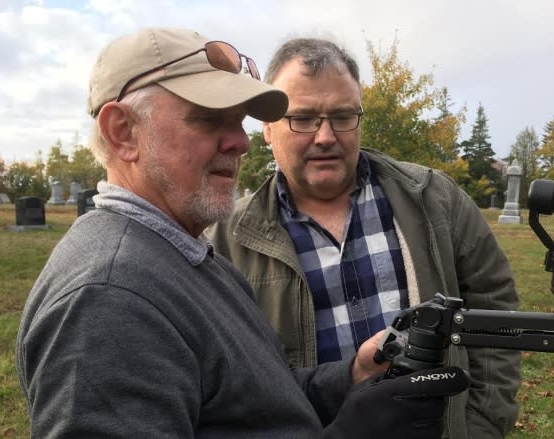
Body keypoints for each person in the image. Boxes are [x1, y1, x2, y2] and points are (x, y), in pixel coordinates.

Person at [15, 27, 468, 439]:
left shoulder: (183, 253)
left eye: (239, 121)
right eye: (209, 119)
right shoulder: (108, 300)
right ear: (123, 133)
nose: (241, 142)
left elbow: (257, 400)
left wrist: (349, 376)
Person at [207, 38, 522, 438]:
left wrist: (481, 426)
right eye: (302, 118)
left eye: (342, 116)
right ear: (267, 129)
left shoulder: (432, 199)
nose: (325, 136)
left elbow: (493, 307)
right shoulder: (223, 240)